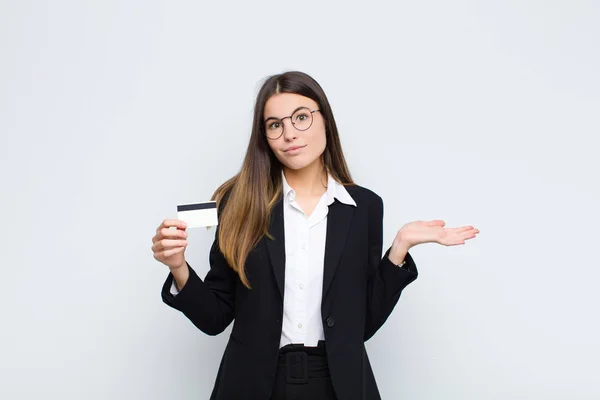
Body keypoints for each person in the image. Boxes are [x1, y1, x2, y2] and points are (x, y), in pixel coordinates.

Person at [151, 71, 479, 399]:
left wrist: (400, 249)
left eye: (301, 118)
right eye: (275, 124)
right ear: (265, 136)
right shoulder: (238, 204)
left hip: (339, 384)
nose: (289, 134)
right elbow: (214, 318)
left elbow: (360, 328)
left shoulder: (364, 207)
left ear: (325, 120)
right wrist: (177, 266)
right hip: (253, 384)